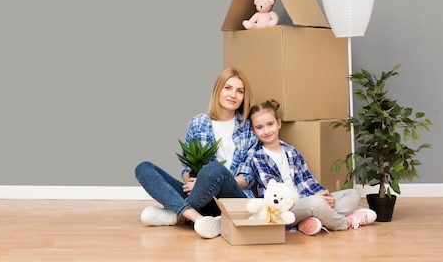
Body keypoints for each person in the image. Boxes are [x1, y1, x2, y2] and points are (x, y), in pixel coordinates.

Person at [134, 68, 258, 239]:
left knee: (214, 169)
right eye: (227, 88)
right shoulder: (197, 123)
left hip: (231, 199)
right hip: (200, 197)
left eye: (240, 91)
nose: (233, 95)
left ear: (244, 97)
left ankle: (177, 216)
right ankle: (198, 218)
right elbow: (186, 168)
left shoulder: (249, 128)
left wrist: (205, 182)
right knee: (144, 168)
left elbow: (247, 178)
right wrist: (194, 183)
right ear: (218, 90)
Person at [248, 99, 377, 235]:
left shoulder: (291, 151)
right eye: (259, 127)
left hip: (307, 200)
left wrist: (324, 196)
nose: (266, 131)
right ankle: (345, 222)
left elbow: (308, 177)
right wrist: (314, 199)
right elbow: (277, 193)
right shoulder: (258, 158)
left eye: (270, 124)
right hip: (285, 209)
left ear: (279, 123)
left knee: (352, 194)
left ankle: (312, 220)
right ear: (254, 131)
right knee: (316, 204)